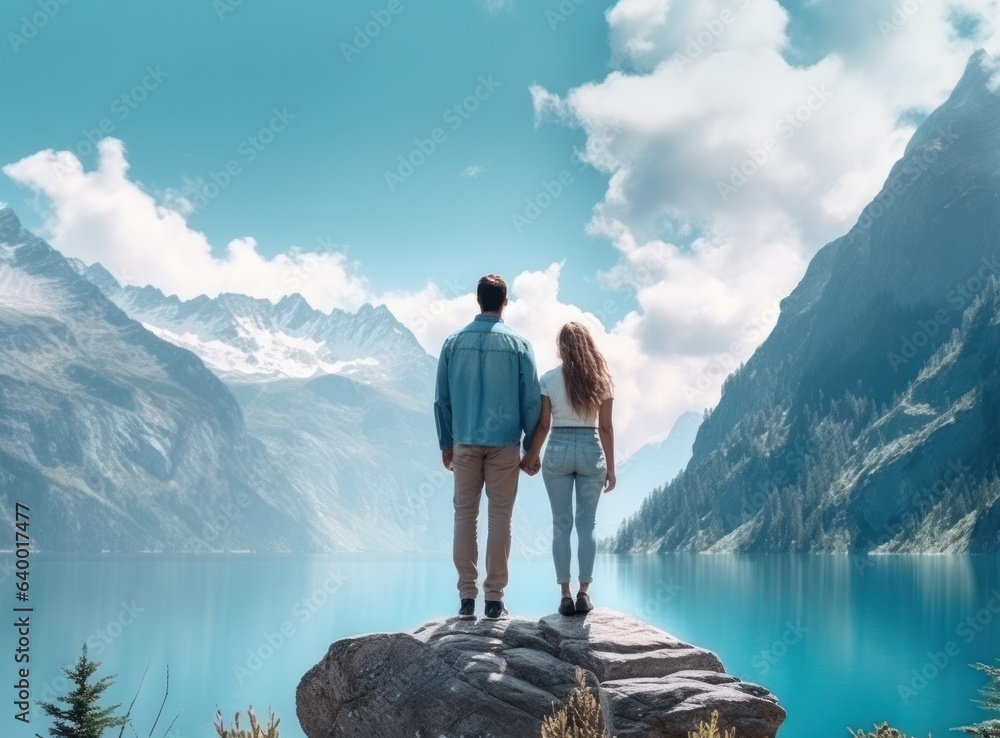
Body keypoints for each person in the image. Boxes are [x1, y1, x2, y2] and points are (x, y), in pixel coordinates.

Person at [434, 274, 541, 621]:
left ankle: (467, 598)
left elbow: (442, 400)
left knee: (465, 516)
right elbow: (531, 402)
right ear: (504, 302)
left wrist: (445, 442)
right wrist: (530, 449)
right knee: (501, 518)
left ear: (477, 301)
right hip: (505, 446)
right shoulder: (519, 345)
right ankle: (494, 600)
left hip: (464, 442)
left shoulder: (452, 343)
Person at [520, 321, 616, 616]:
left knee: (561, 525)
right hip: (590, 449)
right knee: (587, 525)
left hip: (558, 449)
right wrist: (611, 469)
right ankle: (584, 592)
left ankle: (564, 594)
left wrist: (530, 457)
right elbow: (606, 428)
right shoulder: (601, 380)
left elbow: (544, 425)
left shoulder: (548, 379)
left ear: (561, 347)